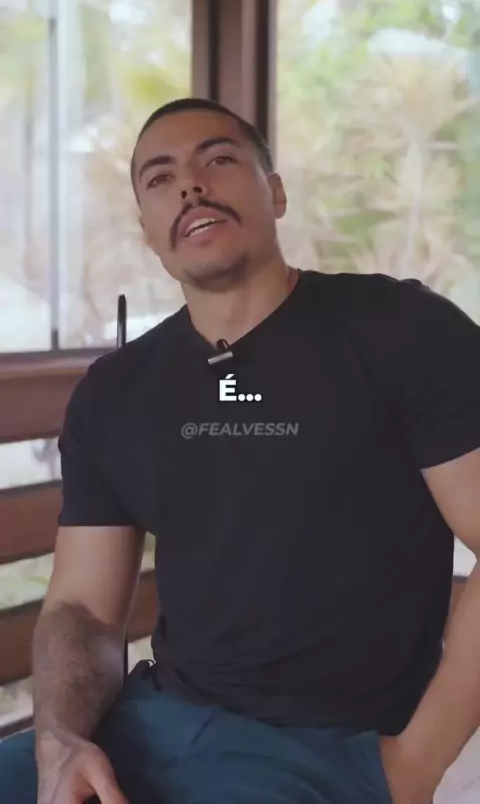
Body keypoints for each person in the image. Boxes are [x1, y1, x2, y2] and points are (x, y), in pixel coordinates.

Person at [1, 98, 480, 804]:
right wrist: (59, 743)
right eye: (160, 178)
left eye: (218, 159)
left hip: (327, 748)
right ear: (148, 232)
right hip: (147, 725)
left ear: (275, 192)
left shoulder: (402, 330)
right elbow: (84, 609)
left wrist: (415, 765)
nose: (190, 186)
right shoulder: (115, 393)